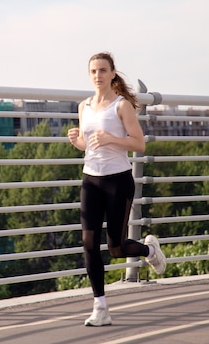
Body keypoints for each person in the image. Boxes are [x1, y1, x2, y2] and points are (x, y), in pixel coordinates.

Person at [67, 52, 166, 327]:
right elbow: (90, 144)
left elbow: (139, 144)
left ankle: (149, 251)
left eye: (102, 70)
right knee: (88, 244)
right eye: (93, 71)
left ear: (112, 73)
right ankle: (100, 307)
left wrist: (112, 138)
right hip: (91, 181)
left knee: (116, 248)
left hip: (118, 181)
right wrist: (78, 142)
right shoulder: (83, 106)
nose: (97, 75)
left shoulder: (122, 106)